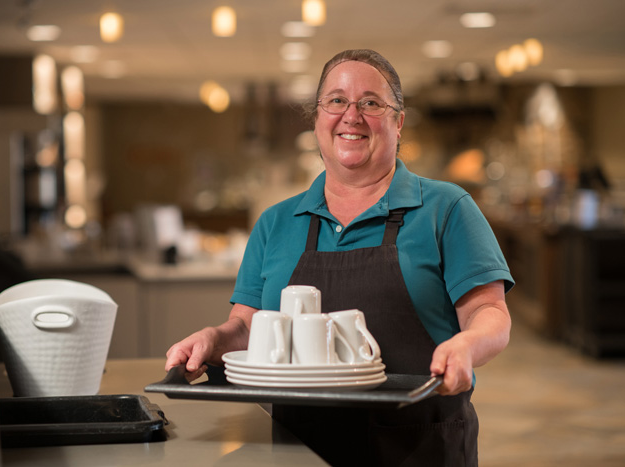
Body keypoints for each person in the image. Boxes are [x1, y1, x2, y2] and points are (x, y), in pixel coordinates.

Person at [166, 49, 514, 466]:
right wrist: (214, 340)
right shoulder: (277, 222)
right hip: (299, 450)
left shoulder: (447, 208)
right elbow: (248, 326)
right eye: (336, 101)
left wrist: (466, 346)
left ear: (398, 122)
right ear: (316, 120)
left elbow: (490, 312)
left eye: (371, 102)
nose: (352, 115)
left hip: (419, 446)